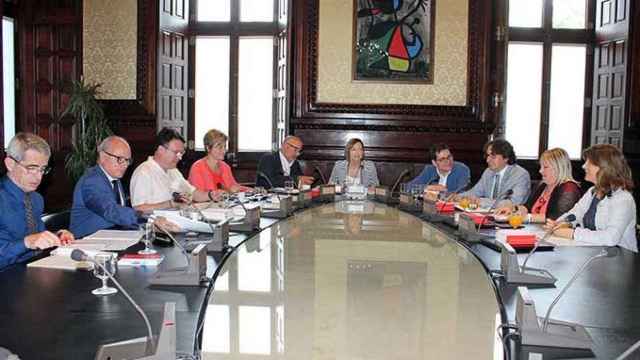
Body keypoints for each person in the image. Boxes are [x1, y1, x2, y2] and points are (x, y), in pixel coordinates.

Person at [0, 133, 74, 270]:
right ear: (10, 164)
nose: (38, 177)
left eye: (42, 169)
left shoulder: (35, 199)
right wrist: (26, 243)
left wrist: (56, 236)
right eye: (31, 168)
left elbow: (37, 237)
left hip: (34, 269)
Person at [546, 144, 637, 252]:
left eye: (588, 162)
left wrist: (573, 233)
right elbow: (575, 213)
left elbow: (611, 238)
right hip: (594, 253)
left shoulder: (623, 199)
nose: (584, 166)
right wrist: (561, 223)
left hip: (621, 259)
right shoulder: (592, 191)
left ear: (603, 167)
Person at [70, 136, 140, 238]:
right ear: (102, 156)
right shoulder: (92, 180)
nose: (125, 165)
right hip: (87, 242)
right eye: (120, 159)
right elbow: (110, 210)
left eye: (127, 160)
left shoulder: (115, 179)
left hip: (110, 238)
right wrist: (147, 219)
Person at [130, 128, 212, 212]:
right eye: (176, 152)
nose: (180, 158)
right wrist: (170, 204)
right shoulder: (143, 172)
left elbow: (193, 193)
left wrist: (211, 195)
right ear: (161, 149)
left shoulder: (173, 171)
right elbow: (138, 209)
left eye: (181, 153)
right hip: (155, 223)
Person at [496, 148, 581, 223]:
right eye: (541, 166)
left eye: (545, 167)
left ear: (558, 168)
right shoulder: (543, 185)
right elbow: (527, 207)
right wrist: (512, 209)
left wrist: (524, 218)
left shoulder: (569, 188)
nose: (540, 171)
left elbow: (556, 218)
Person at [460, 139, 531, 207]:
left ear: (506, 158)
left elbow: (513, 202)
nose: (487, 160)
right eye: (487, 156)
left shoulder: (520, 175)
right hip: (487, 214)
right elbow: (475, 192)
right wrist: (459, 197)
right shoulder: (488, 172)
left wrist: (482, 201)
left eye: (493, 157)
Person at [188, 129, 251, 193]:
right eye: (220, 147)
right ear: (208, 148)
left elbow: (235, 187)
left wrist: (253, 190)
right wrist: (229, 191)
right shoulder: (197, 167)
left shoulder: (225, 167)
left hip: (224, 203)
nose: (224, 151)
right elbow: (198, 196)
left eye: (225, 146)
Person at [405, 143, 470, 193]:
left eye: (449, 157)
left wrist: (444, 191)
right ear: (434, 163)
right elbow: (407, 188)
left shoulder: (462, 170)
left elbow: (462, 193)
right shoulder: (429, 170)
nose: (447, 161)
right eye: (442, 159)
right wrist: (429, 188)